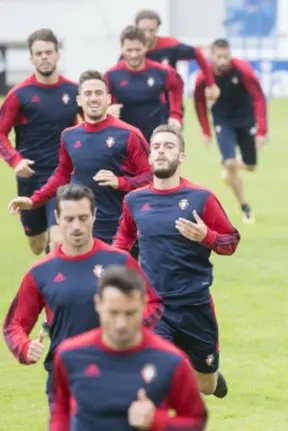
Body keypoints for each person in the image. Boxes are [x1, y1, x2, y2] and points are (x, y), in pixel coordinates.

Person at [3, 184, 163, 407]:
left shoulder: (119, 261)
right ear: (57, 218)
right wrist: (24, 347)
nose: (76, 226)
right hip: (66, 381)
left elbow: (152, 302)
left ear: (94, 216)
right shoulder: (40, 272)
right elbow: (14, 326)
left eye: (83, 217)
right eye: (69, 219)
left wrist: (130, 331)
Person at [113, 125, 241, 398]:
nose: (161, 151)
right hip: (154, 305)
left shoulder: (201, 198)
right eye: (156, 146)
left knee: (205, 386)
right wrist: (116, 266)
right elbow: (125, 235)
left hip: (195, 304)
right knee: (154, 380)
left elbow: (231, 241)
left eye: (169, 146)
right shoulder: (135, 201)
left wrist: (207, 236)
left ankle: (211, 378)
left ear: (181, 157)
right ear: (149, 157)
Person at [7, 70, 152, 256]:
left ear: (109, 99)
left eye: (99, 93)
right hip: (83, 230)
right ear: (79, 100)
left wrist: (122, 182)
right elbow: (63, 174)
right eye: (88, 94)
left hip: (121, 231)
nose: (94, 98)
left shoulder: (129, 134)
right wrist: (33, 200)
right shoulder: (69, 135)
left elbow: (150, 178)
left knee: (119, 284)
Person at [50, 266, 207, 430]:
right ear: (98, 304)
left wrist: (156, 422)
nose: (121, 324)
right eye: (113, 313)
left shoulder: (171, 361)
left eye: (130, 313)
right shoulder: (70, 355)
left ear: (144, 305)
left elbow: (196, 420)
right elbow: (60, 409)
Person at [0, 29, 79, 255]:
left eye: (48, 52)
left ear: (57, 55)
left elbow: (91, 123)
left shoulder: (73, 91)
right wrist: (15, 161)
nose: (44, 57)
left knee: (58, 239)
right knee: (36, 246)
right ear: (31, 58)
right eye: (39, 53)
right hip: (30, 177)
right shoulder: (19, 94)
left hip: (64, 175)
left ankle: (56, 285)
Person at [193, 38, 268, 224]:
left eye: (226, 56)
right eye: (219, 57)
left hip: (245, 119)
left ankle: (229, 168)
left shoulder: (242, 70)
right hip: (223, 121)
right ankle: (245, 208)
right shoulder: (204, 77)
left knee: (250, 165)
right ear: (212, 56)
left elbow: (258, 97)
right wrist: (206, 131)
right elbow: (199, 103)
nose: (223, 60)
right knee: (230, 162)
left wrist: (261, 131)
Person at [105, 25, 184, 142]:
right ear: (122, 49)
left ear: (146, 47)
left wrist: (175, 115)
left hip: (156, 137)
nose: (133, 55)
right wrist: (108, 109)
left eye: (138, 49)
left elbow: (177, 86)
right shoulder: (111, 75)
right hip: (124, 137)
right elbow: (99, 100)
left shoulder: (162, 72)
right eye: (129, 50)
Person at [133, 9, 220, 102]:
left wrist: (211, 84)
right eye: (143, 30)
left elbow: (197, 53)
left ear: (157, 29)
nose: (147, 34)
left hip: (169, 104)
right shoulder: (131, 50)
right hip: (141, 101)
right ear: (136, 28)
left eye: (151, 30)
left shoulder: (169, 45)